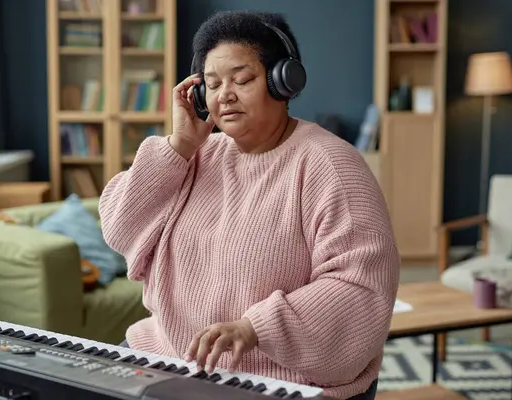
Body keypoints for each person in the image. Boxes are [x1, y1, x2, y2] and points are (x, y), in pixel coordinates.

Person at [99, 10, 400, 400]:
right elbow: (118, 228)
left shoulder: (330, 165)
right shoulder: (193, 155)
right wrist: (179, 146)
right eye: (211, 84)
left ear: (283, 81)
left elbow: (360, 287)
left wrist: (256, 328)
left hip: (279, 380)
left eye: (242, 80)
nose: (225, 94)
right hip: (168, 356)